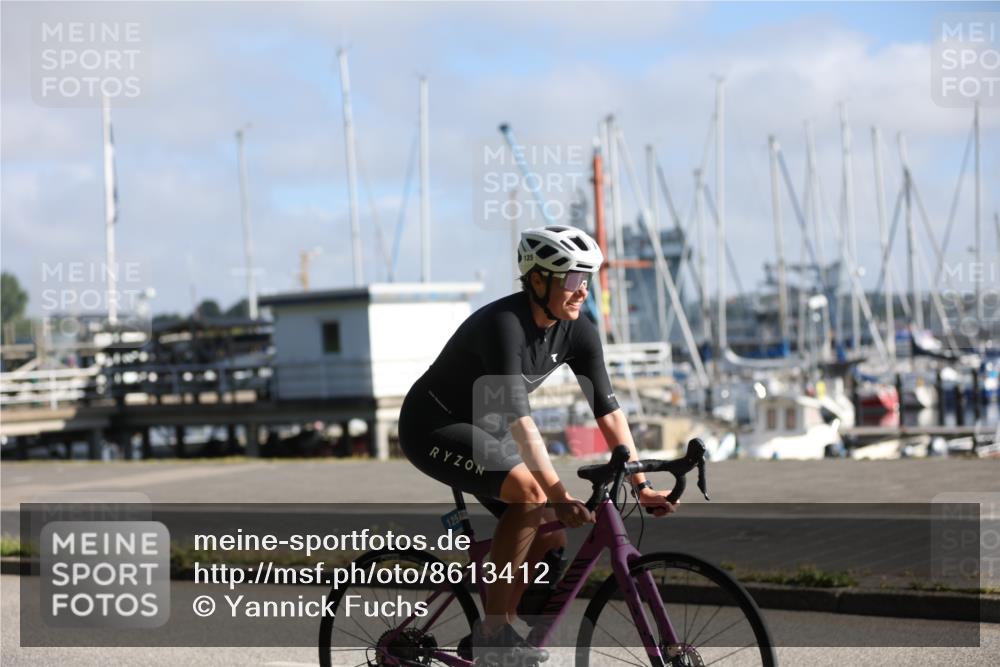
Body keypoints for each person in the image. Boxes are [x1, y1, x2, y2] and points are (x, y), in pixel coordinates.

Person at [398, 225, 676, 665]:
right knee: (531, 495)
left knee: (549, 538)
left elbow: (609, 412)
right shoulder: (503, 326)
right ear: (538, 279)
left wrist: (641, 484)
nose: (581, 290)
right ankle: (494, 632)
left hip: (485, 431)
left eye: (587, 279)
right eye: (571, 279)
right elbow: (521, 423)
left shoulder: (577, 331)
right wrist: (560, 493)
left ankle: (502, 632)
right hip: (433, 426)